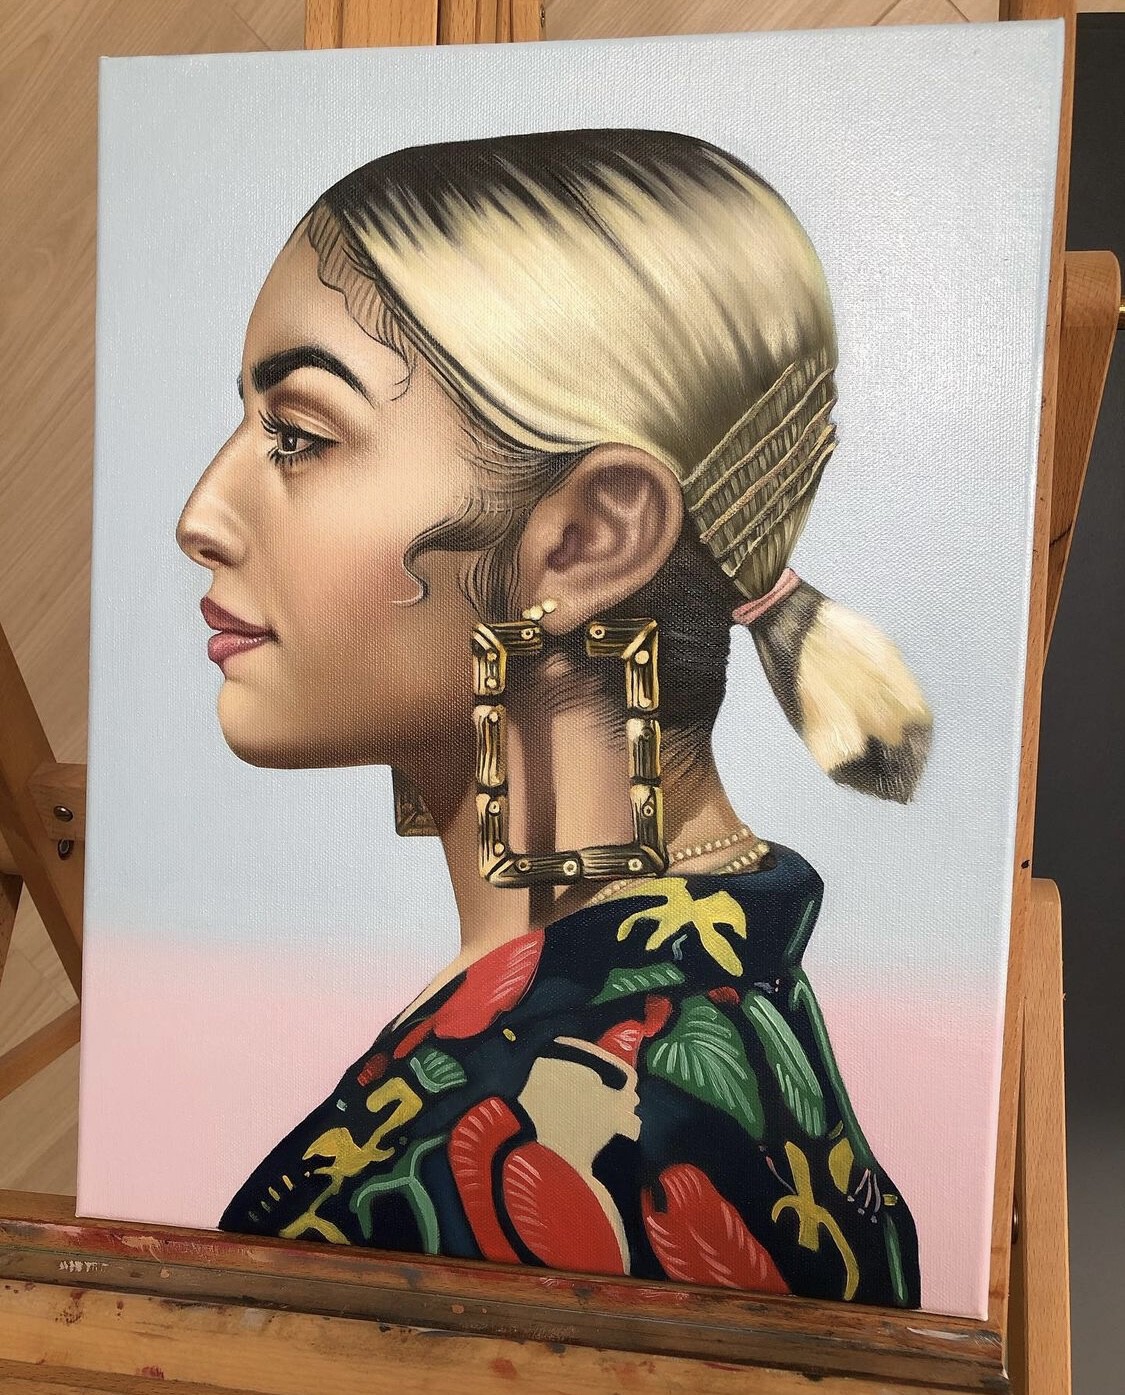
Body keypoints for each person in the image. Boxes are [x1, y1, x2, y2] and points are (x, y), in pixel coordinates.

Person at [175, 129, 932, 1306]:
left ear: (589, 537)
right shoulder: (708, 989)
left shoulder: (557, 1127)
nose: (201, 515)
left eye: (299, 438)